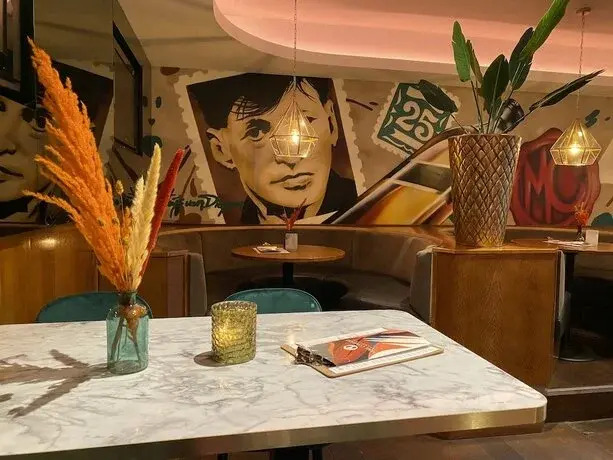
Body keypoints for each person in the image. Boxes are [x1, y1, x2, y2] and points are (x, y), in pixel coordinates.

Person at [188, 73, 357, 224]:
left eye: (304, 122)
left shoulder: (363, 209)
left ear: (331, 124)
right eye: (256, 132)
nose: (291, 157)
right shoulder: (240, 228)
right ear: (221, 149)